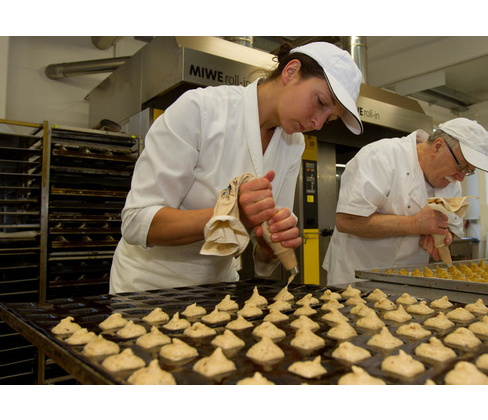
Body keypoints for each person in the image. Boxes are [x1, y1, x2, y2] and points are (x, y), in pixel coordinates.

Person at [110, 41, 364, 293]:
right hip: (149, 286)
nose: (318, 123)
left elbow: (263, 247)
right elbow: (137, 221)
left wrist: (272, 243)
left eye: (329, 118)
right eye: (320, 102)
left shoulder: (293, 143)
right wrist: (232, 213)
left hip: (218, 286)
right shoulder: (201, 110)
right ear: (291, 72)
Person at [323, 118, 488, 286]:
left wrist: (441, 235)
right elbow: (347, 221)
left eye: (468, 172)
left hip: (409, 282)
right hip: (356, 278)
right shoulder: (381, 156)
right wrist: (413, 224)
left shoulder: (451, 181)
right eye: (460, 167)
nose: (460, 178)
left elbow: (451, 229)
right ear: (438, 146)